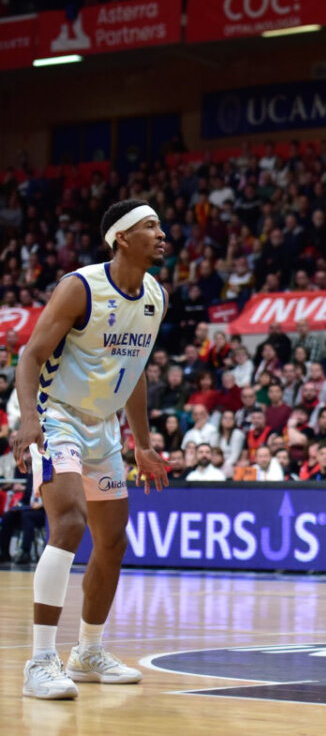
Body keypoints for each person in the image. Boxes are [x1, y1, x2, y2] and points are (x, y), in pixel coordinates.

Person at [11, 199, 169, 699]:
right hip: (56, 414)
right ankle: (40, 661)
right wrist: (29, 420)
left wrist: (141, 443)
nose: (161, 234)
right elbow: (30, 353)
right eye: (150, 226)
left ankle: (87, 652)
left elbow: (137, 369)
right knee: (71, 523)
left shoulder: (155, 296)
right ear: (121, 238)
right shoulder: (80, 287)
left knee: (113, 541)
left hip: (103, 427)